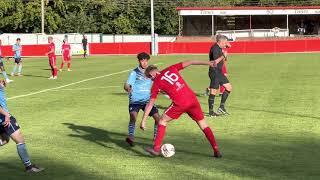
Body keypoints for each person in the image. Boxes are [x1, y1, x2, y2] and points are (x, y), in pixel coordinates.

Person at [140, 60, 222, 158]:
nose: (151, 80)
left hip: (180, 103)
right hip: (192, 99)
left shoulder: (156, 82)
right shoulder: (171, 68)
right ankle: (216, 149)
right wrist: (209, 63)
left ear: (151, 74)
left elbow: (150, 103)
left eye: (150, 78)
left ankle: (156, 149)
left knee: (162, 120)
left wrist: (144, 120)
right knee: (203, 125)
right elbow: (191, 62)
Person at [0, 79, 44, 172]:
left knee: (4, 140)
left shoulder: (1, 88)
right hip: (4, 118)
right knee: (20, 141)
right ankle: (29, 167)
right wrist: (7, 115)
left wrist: (2, 85)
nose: (3, 83)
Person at [124, 52, 160, 146]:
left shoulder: (151, 72)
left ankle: (156, 137)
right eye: (142, 60)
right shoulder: (134, 72)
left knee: (157, 117)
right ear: (139, 61)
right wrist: (128, 88)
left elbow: (158, 80)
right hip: (135, 100)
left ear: (148, 61)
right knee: (133, 116)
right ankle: (131, 136)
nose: (144, 63)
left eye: (145, 60)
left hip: (147, 100)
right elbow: (127, 84)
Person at [208, 35, 232, 117]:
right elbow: (215, 62)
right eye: (224, 42)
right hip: (214, 72)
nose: (226, 44)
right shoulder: (214, 49)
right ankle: (211, 112)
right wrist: (223, 55)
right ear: (220, 42)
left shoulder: (220, 48)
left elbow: (225, 59)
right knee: (213, 92)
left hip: (219, 72)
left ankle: (221, 107)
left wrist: (225, 53)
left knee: (229, 87)